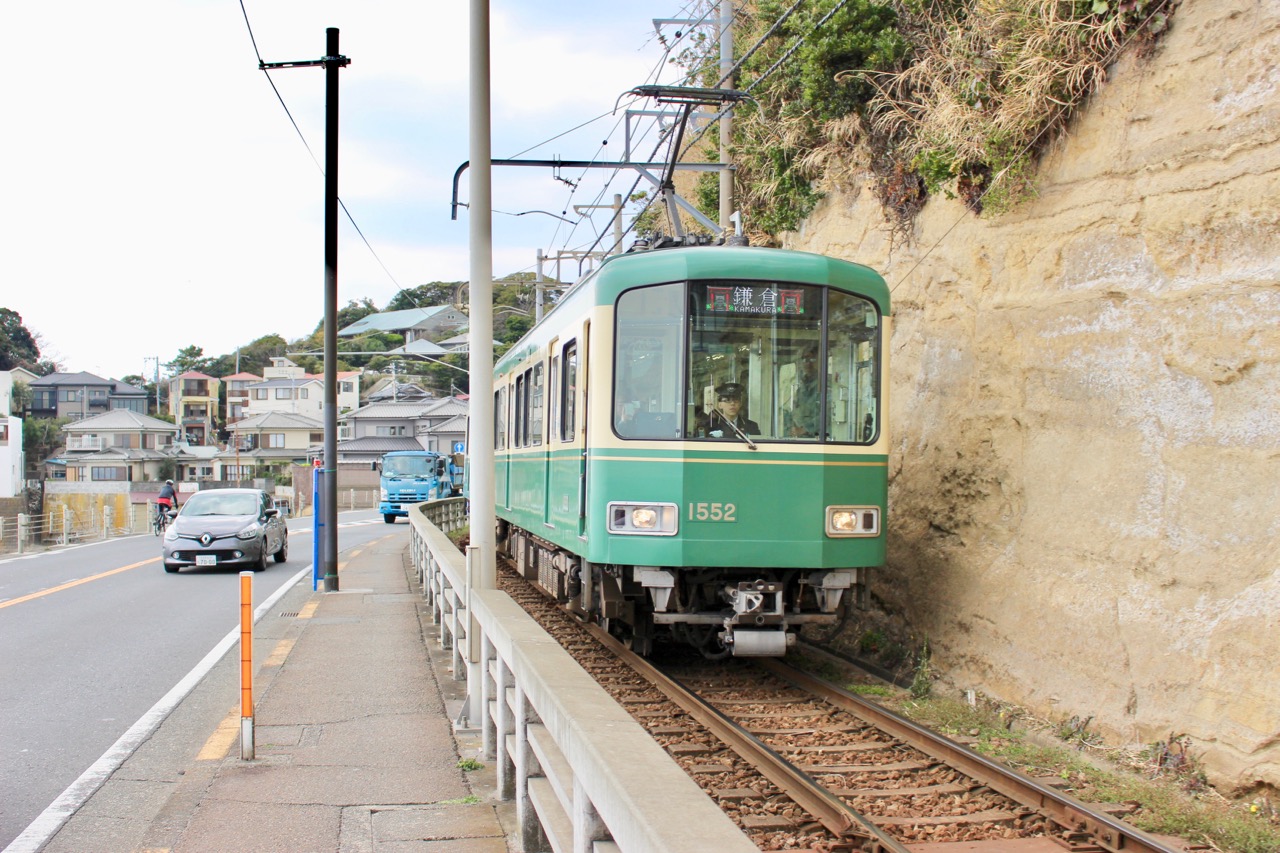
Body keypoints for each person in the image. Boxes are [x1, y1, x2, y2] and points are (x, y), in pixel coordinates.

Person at [787, 346, 822, 437]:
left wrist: (805, 429)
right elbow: (796, 412)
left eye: (812, 359)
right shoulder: (801, 387)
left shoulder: (824, 384)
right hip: (801, 438)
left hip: (818, 439)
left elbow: (827, 415)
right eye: (804, 359)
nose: (808, 363)